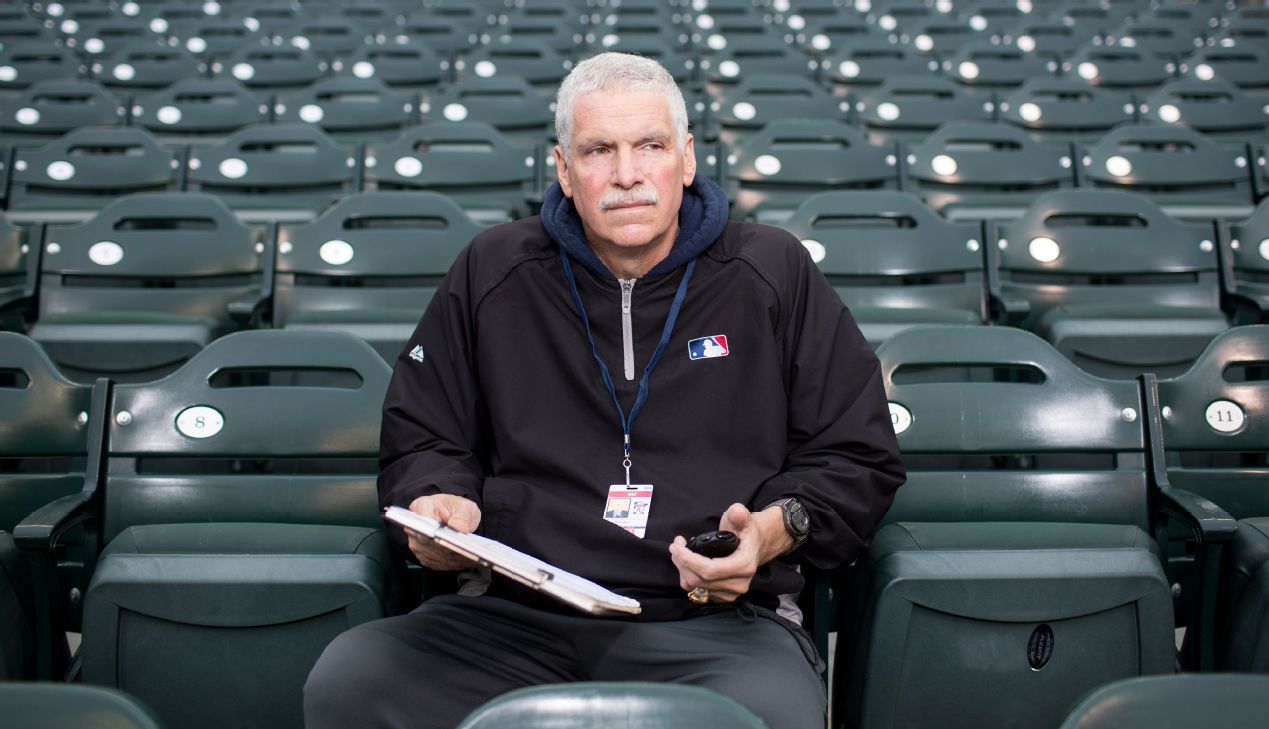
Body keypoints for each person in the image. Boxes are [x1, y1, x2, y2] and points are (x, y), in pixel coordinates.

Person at [303, 52, 905, 729]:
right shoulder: (493, 271)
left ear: (686, 159)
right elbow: (424, 436)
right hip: (513, 617)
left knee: (776, 713)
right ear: (563, 169)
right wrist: (439, 499)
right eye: (598, 150)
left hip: (715, 621)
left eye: (649, 146)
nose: (626, 174)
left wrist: (774, 529)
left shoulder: (771, 271)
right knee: (350, 679)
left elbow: (855, 455)